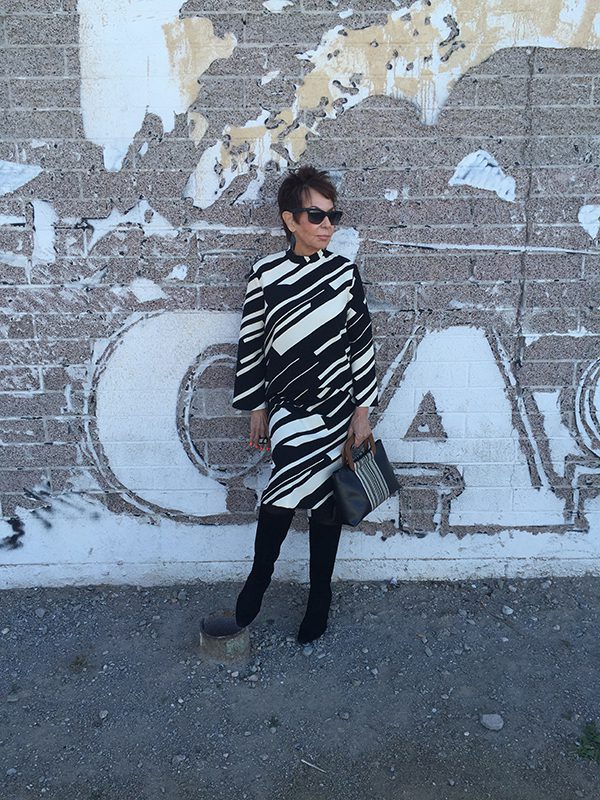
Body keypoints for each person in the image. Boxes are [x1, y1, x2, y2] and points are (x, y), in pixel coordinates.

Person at [232, 165, 379, 644]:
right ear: (289, 220)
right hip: (289, 409)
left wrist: (363, 411)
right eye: (316, 215)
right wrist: (256, 407)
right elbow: (253, 343)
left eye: (333, 215)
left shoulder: (343, 274)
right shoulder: (265, 274)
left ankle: (320, 597)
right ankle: (258, 582)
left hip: (338, 407)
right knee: (280, 494)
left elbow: (361, 343)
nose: (328, 225)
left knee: (326, 503)